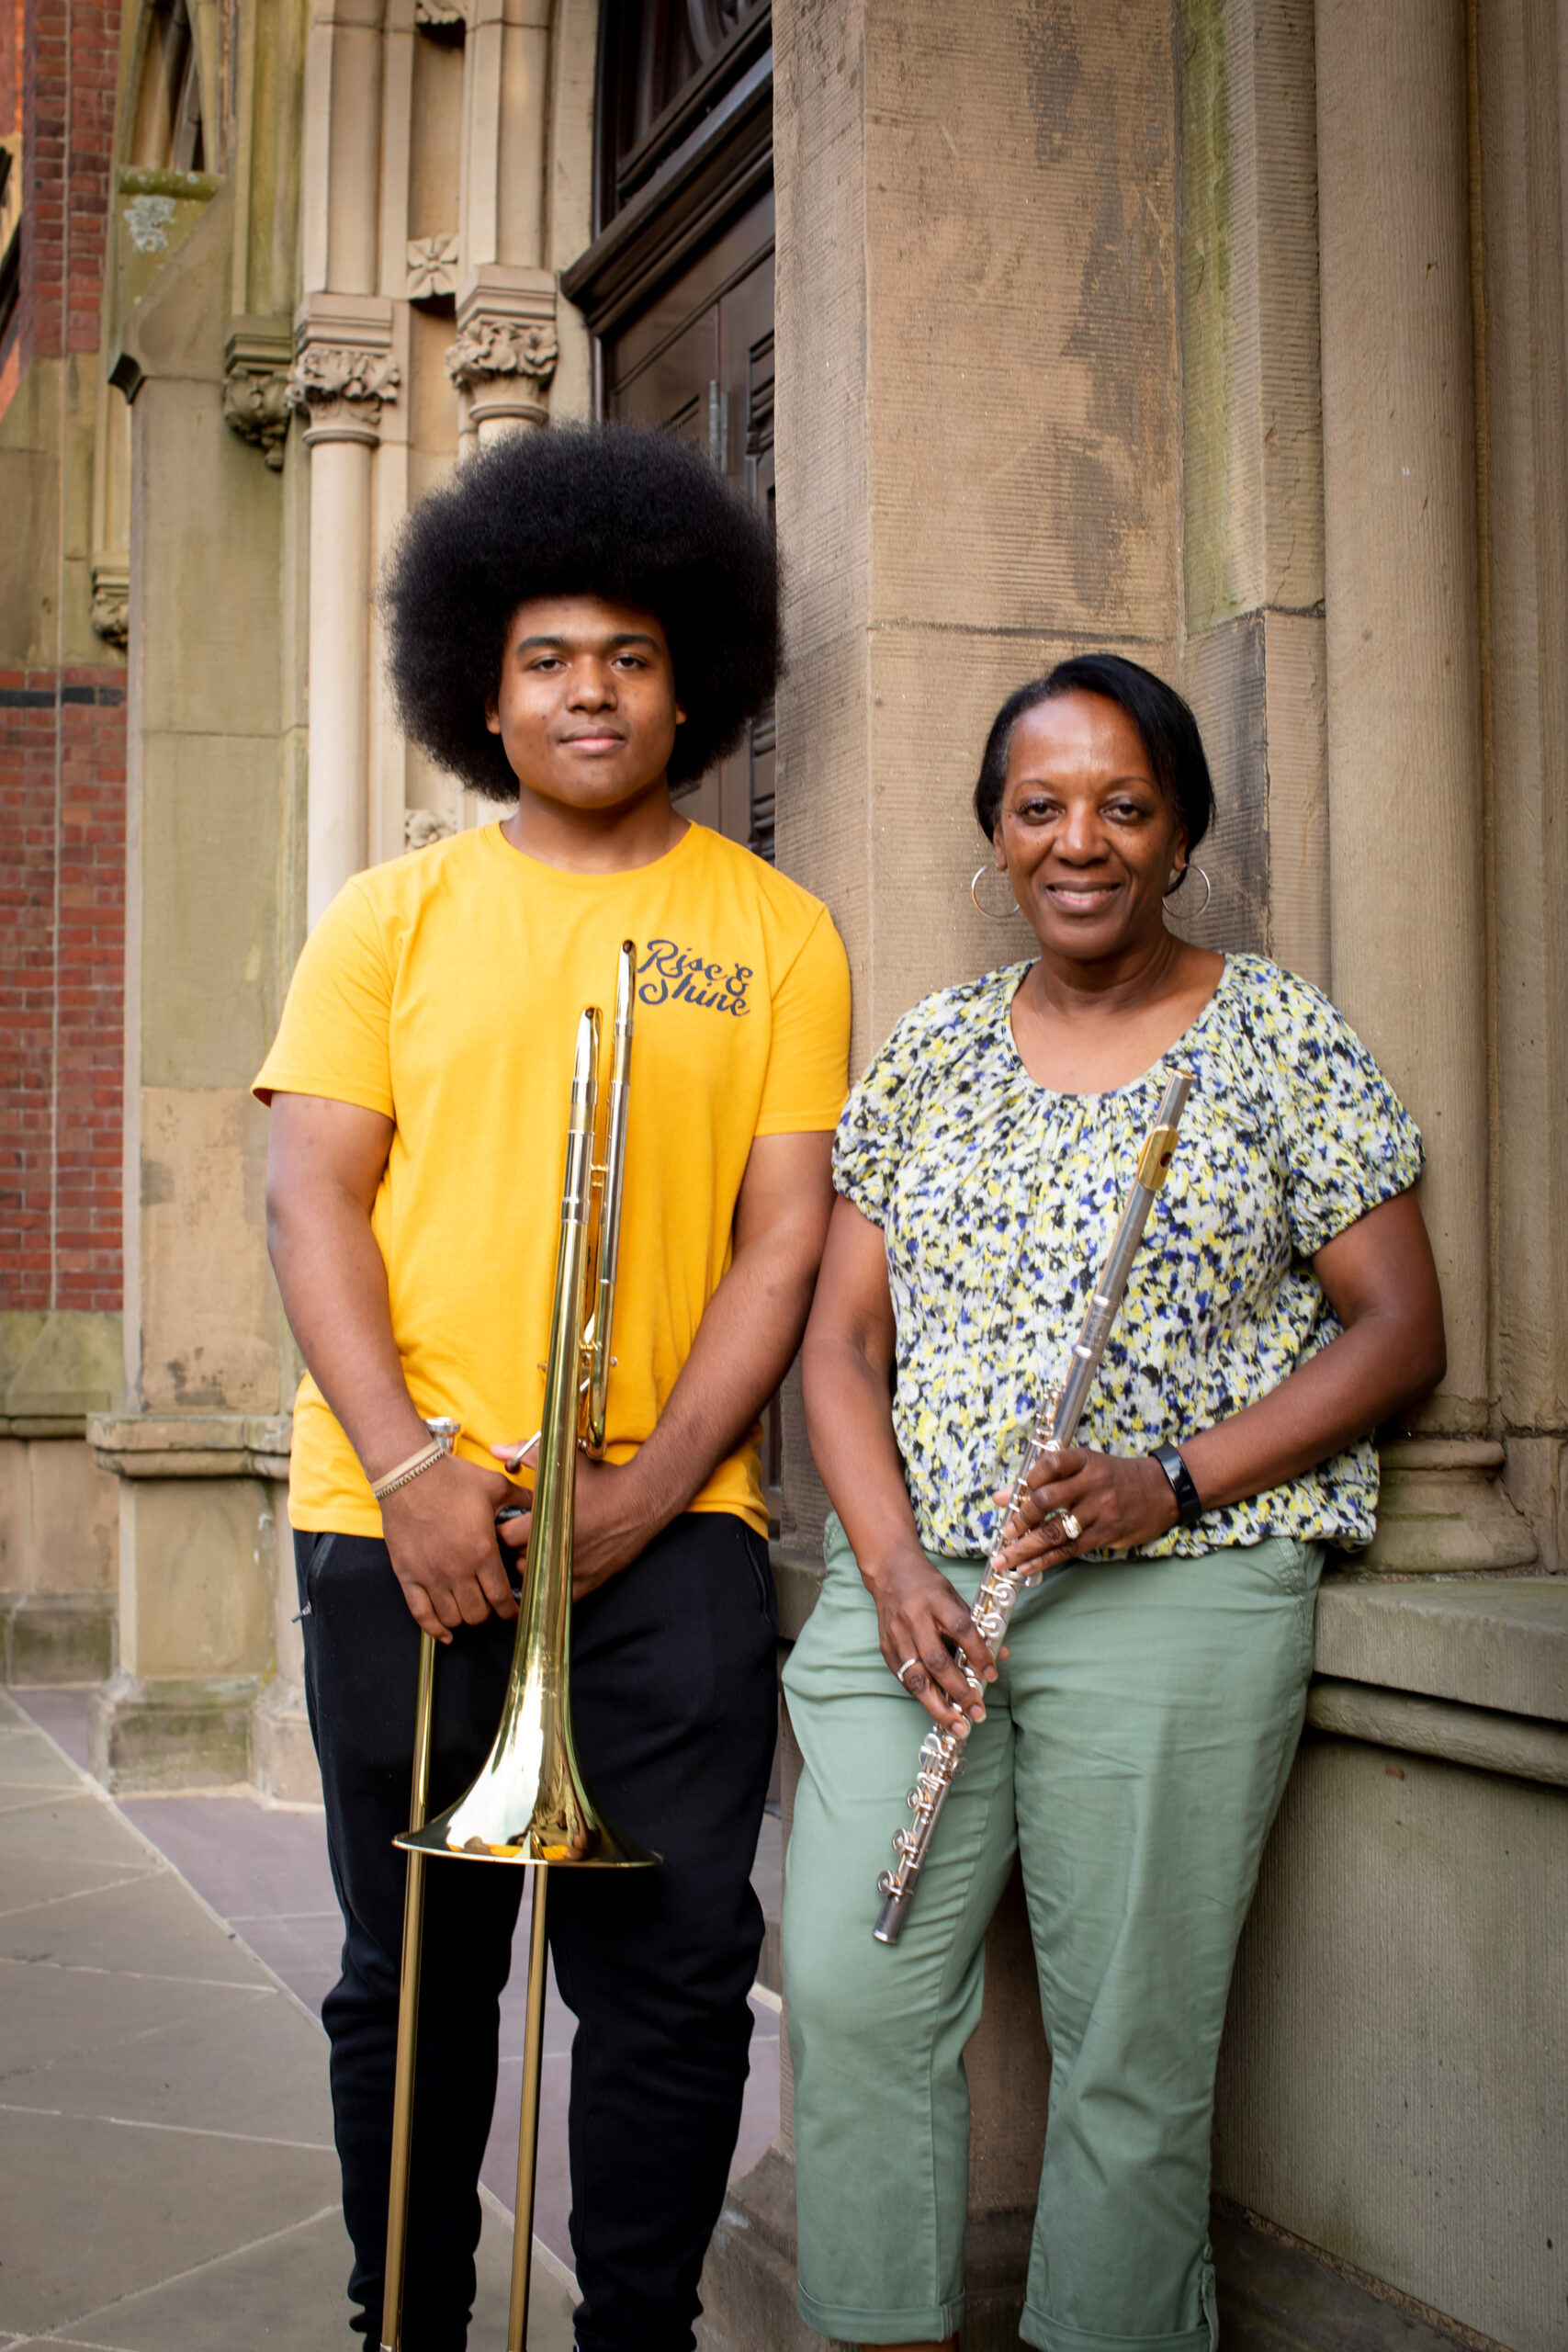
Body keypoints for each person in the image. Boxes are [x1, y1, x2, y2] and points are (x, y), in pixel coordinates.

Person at [254, 424, 851, 2352]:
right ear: (476, 692)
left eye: (628, 654)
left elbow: (782, 1241)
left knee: (677, 1975)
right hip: (399, 1523)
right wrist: (418, 1465)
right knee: (407, 1979)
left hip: (667, 1541)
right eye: (544, 656)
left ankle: (639, 2333)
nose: (589, 689)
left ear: (693, 682)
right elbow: (308, 1197)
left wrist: (653, 1483)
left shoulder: (775, 931)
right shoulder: (388, 916)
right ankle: (403, 2323)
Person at [782, 654, 1445, 2352]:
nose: (1079, 840)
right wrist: (887, 1566)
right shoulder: (931, 1050)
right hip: (917, 1594)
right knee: (853, 1989)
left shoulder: (1278, 1037)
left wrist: (1175, 1480)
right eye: (1039, 806)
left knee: (1132, 2046)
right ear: (996, 837)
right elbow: (838, 1353)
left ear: (1179, 834)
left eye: (1122, 806)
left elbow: (1398, 1330)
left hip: (1183, 1587)